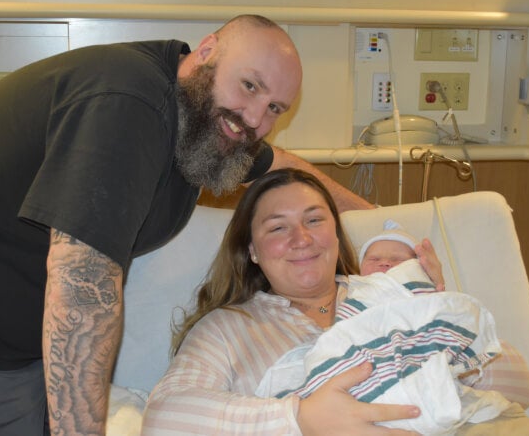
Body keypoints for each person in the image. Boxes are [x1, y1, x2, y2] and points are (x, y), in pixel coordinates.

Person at [0, 15, 381, 435]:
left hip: (19, 328)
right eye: (249, 86)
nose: (254, 119)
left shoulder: (207, 122)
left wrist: (387, 229)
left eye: (274, 108)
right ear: (206, 52)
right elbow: (83, 288)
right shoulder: (126, 107)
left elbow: (285, 165)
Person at [142, 168, 446, 435]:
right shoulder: (226, 328)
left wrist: (437, 308)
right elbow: (164, 418)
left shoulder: (389, 299)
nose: (301, 239)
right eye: (278, 227)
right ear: (253, 251)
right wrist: (298, 419)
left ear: (336, 235)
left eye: (314, 220)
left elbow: (489, 374)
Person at [256, 219, 529, 434]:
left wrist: (435, 302)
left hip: (443, 400)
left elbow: (522, 390)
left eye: (399, 261)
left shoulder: (427, 298)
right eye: (375, 259)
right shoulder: (352, 298)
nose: (386, 264)